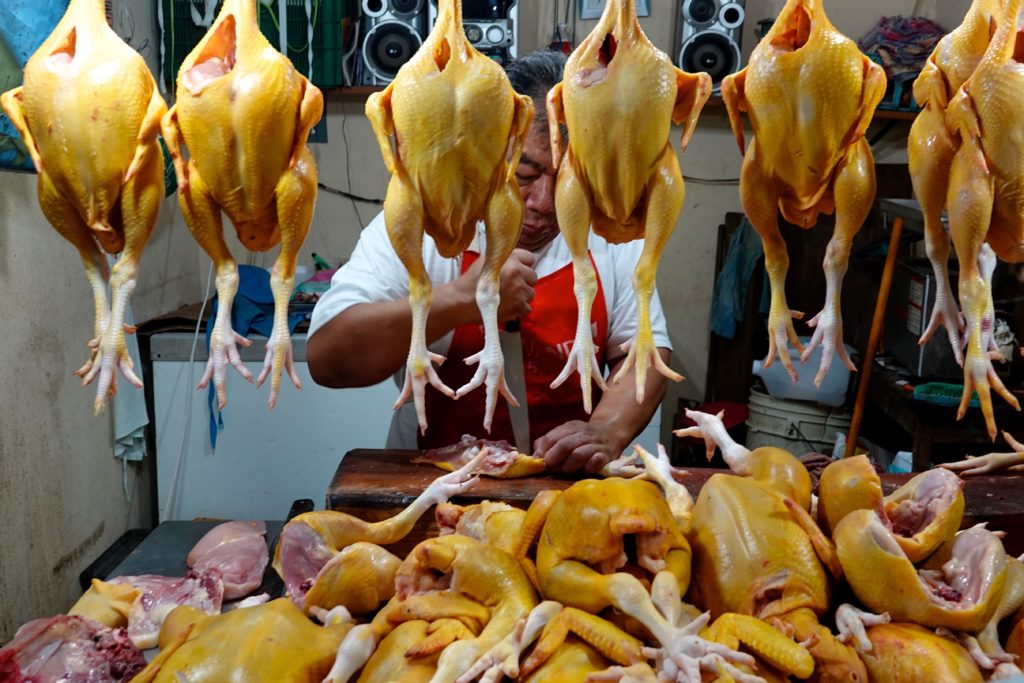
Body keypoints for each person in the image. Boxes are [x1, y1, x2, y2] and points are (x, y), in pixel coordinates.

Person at [307, 50, 675, 474]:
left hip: (564, 483)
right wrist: (457, 300)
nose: (545, 203)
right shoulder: (423, 224)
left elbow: (644, 354)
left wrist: (607, 430)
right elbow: (328, 359)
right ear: (487, 152)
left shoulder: (609, 230)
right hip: (431, 481)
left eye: (574, 179)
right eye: (525, 175)